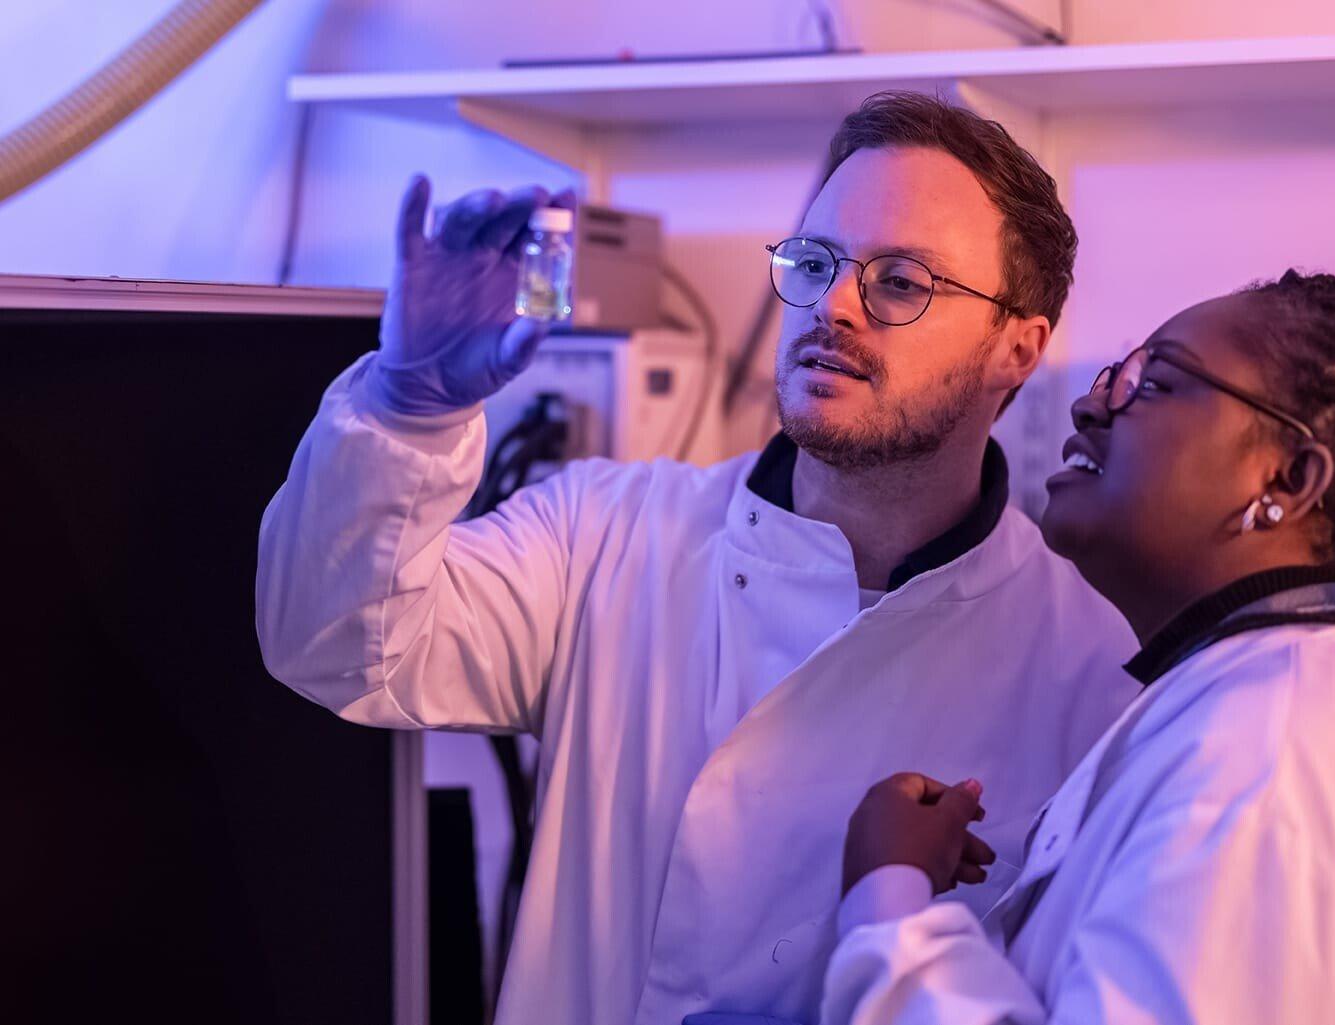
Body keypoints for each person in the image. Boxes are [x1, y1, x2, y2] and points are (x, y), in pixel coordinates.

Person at [255, 91, 1138, 1024]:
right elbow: (335, 643)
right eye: (815, 261)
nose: (835, 306)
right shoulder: (603, 534)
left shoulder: (1092, 673)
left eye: (902, 282)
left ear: (1018, 349)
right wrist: (408, 408)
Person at [824, 270, 1335, 1023]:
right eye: (1117, 373)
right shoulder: (1262, 704)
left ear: (1288, 478)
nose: (1089, 401)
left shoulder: (1273, 751)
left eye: (1151, 381)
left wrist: (889, 899)